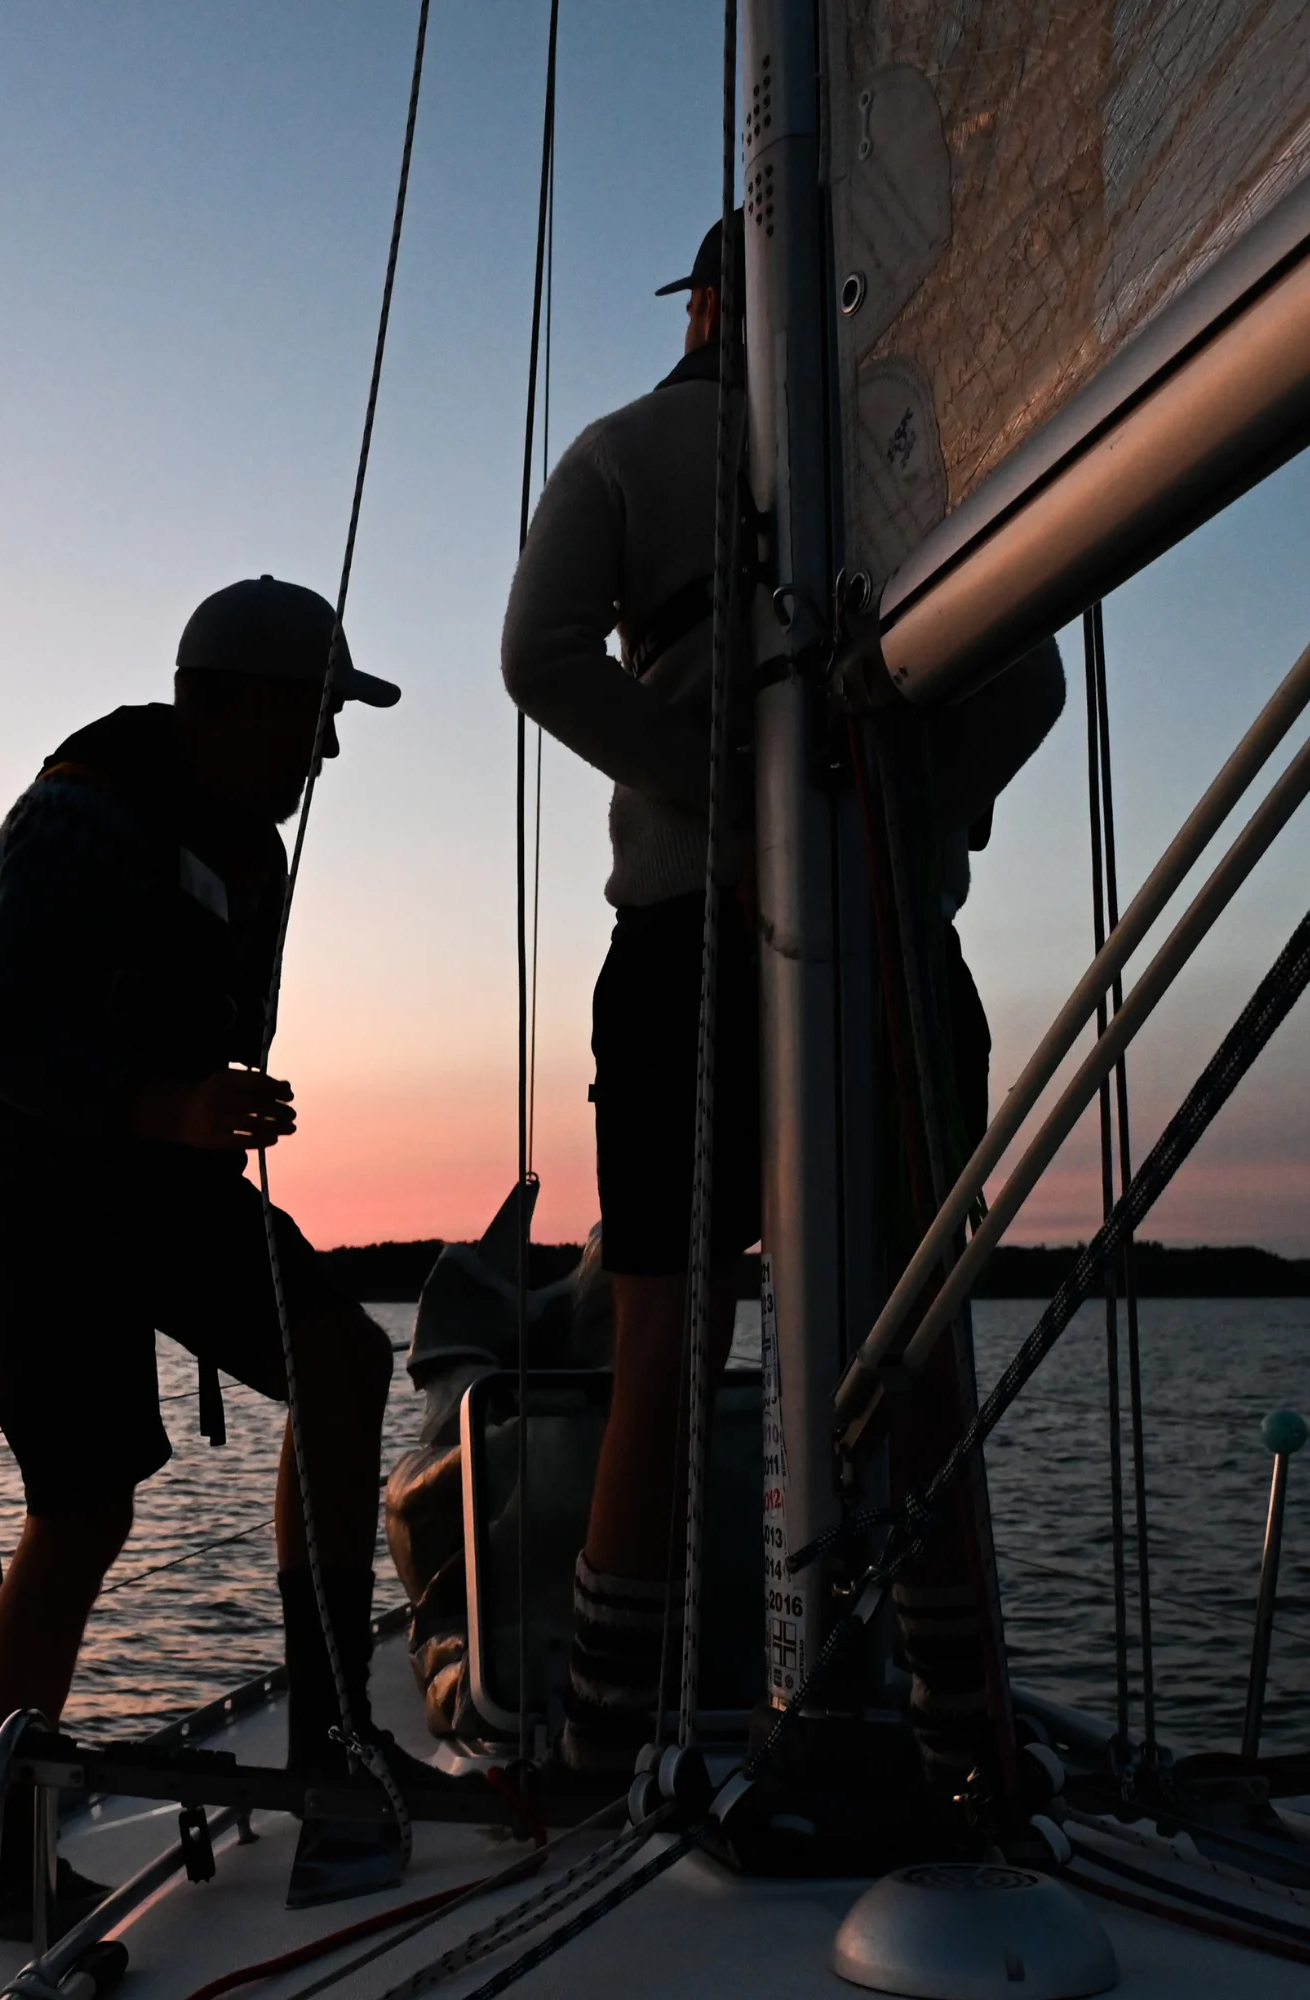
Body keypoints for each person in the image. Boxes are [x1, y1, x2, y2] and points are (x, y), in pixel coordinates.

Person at [500, 219, 1064, 1775]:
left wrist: (725, 812)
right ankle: (967, 1732)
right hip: (893, 942)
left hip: (687, 934)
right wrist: (924, 820)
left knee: (668, 1341)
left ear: (699, 312)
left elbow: (540, 655)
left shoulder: (624, 452)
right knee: (919, 1341)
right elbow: (1030, 681)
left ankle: (613, 1735)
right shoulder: (915, 461)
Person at [0, 578, 420, 1934]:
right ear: (254, 704)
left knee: (341, 1355)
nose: (327, 750)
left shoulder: (252, 852)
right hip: (29, 1177)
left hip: (159, 1177)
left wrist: (215, 1101)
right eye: (319, 716)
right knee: (85, 1508)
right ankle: (12, 1864)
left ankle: (332, 1750)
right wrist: (171, 1105)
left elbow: (198, 1025)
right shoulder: (82, 811)